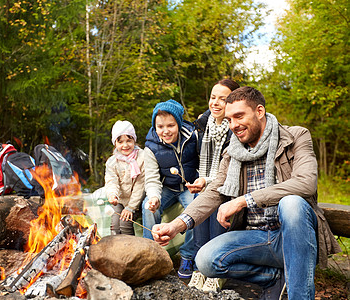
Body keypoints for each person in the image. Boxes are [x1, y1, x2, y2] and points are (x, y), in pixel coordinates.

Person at [152, 87, 341, 299]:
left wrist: (244, 200)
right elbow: (214, 191)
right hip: (255, 237)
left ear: (259, 111)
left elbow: (306, 183)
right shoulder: (232, 151)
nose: (233, 125)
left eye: (239, 116)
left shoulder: (296, 136)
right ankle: (273, 278)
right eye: (229, 119)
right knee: (205, 259)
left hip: (293, 235)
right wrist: (175, 225)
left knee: (292, 204)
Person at [186, 78, 240, 292]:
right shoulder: (202, 124)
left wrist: (207, 181)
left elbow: (231, 170)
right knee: (199, 223)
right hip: (203, 183)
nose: (215, 103)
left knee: (216, 228)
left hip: (227, 187)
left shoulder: (235, 129)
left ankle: (217, 273)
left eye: (223, 99)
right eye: (213, 97)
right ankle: (199, 270)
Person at [142, 99, 199, 279]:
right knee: (148, 207)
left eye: (170, 125)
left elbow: (203, 163)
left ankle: (188, 256)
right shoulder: (151, 147)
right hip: (167, 187)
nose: (165, 131)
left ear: (179, 123)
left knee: (195, 209)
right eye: (160, 126)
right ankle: (151, 254)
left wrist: (199, 181)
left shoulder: (193, 137)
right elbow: (152, 179)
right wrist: (154, 197)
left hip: (189, 186)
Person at [105, 120, 145, 235]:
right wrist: (113, 195)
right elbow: (111, 181)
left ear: (134, 140)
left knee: (125, 222)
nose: (125, 145)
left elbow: (140, 185)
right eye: (120, 142)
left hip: (137, 202)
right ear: (115, 143)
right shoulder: (112, 162)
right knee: (115, 223)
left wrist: (131, 207)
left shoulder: (142, 158)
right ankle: (116, 248)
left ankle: (129, 250)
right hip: (121, 200)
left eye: (129, 140)